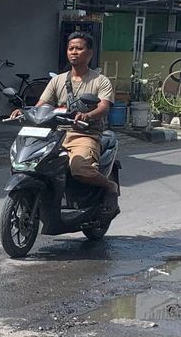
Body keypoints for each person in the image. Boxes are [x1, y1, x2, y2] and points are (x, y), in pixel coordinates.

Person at [8, 32, 120, 209]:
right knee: (31, 163)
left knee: (80, 168)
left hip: (84, 134)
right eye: (71, 48)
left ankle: (110, 186)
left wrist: (88, 115)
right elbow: (41, 105)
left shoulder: (100, 81)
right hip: (54, 134)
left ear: (90, 53)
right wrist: (24, 111)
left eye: (79, 48)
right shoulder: (58, 80)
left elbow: (104, 107)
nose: (74, 52)